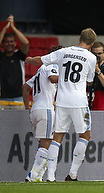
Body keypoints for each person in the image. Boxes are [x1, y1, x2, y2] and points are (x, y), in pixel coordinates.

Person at [25, 28, 97, 182]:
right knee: (85, 136)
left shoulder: (64, 51)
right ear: (91, 44)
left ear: (80, 38)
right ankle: (72, 174)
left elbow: (41, 60)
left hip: (61, 100)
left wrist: (30, 59)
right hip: (79, 101)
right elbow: (90, 81)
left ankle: (51, 177)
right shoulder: (91, 57)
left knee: (57, 137)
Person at [23, 45, 62, 182]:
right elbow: (53, 78)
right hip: (46, 109)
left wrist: (27, 106)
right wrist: (67, 78)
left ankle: (39, 176)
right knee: (46, 145)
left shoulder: (40, 70)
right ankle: (32, 175)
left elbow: (25, 87)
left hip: (35, 109)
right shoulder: (53, 66)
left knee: (47, 143)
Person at [0, 14, 29, 102]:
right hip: (2, 97)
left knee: (18, 117)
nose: (9, 44)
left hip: (19, 96)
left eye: (12, 41)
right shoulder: (0, 56)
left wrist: (13, 27)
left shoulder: (19, 55)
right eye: (7, 42)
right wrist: (5, 28)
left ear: (15, 43)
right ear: (3, 44)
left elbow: (26, 43)